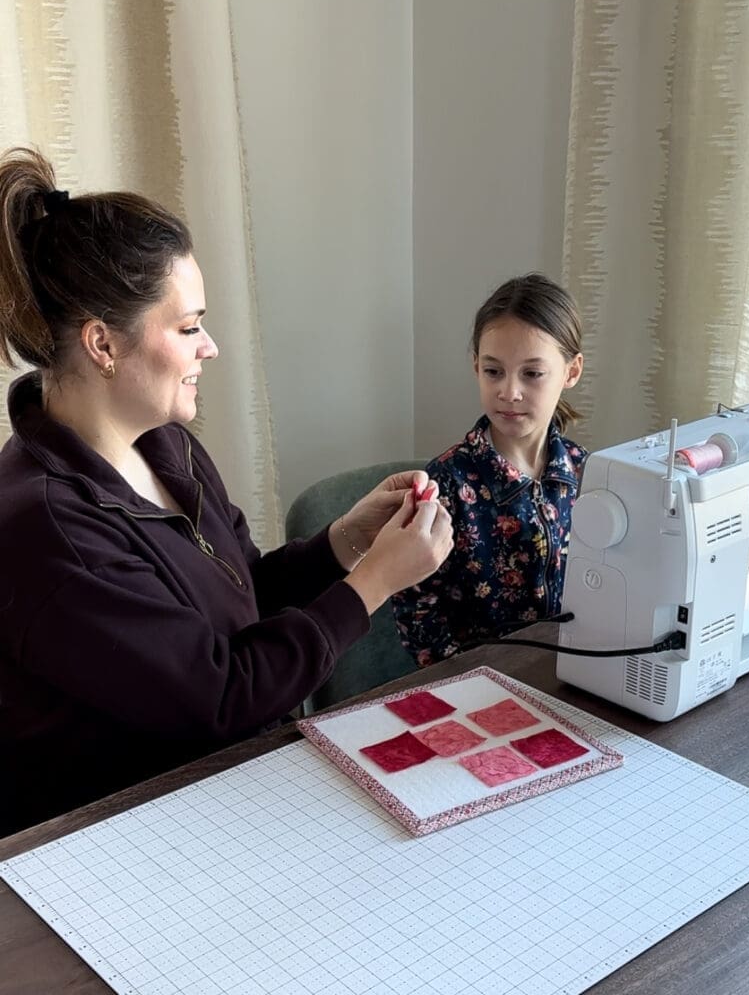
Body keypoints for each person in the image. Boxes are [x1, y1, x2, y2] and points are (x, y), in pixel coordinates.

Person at [0, 147, 452, 835]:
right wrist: (372, 586)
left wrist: (344, 545)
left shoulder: (165, 444)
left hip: (229, 798)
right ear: (101, 344)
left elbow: (240, 602)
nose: (209, 346)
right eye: (187, 328)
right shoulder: (47, 528)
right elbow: (219, 693)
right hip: (119, 846)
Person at [392, 273, 588, 666]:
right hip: (478, 691)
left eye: (532, 374)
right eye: (493, 371)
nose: (509, 392)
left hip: (576, 678)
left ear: (571, 372)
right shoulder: (446, 485)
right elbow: (417, 613)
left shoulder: (589, 473)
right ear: (476, 366)